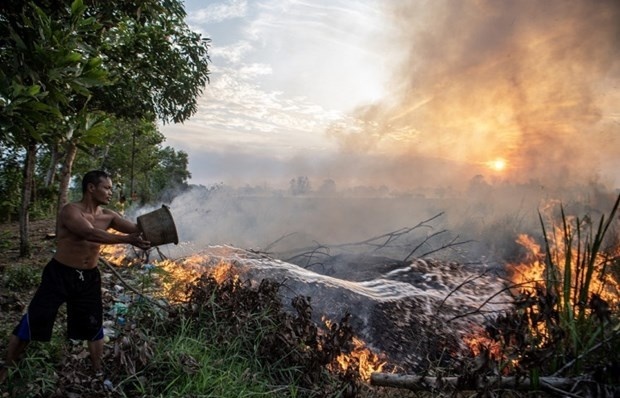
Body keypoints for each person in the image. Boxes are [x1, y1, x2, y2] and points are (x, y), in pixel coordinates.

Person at [0, 170, 150, 383]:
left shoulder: (109, 216)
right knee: (34, 320)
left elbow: (137, 230)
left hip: (88, 278)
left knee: (93, 325)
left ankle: (98, 372)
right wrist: (128, 239)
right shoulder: (70, 211)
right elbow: (89, 233)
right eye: (106, 188)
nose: (111, 192)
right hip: (59, 274)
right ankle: (7, 367)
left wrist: (158, 227)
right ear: (91, 188)